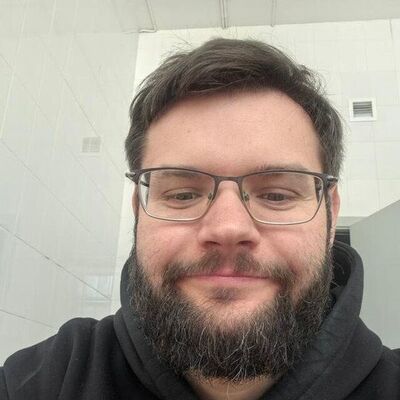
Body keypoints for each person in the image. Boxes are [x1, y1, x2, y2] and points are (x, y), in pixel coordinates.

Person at [1, 37, 399, 400]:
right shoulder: (41, 381)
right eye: (183, 195)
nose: (228, 228)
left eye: (276, 195)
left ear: (330, 213)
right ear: (139, 212)